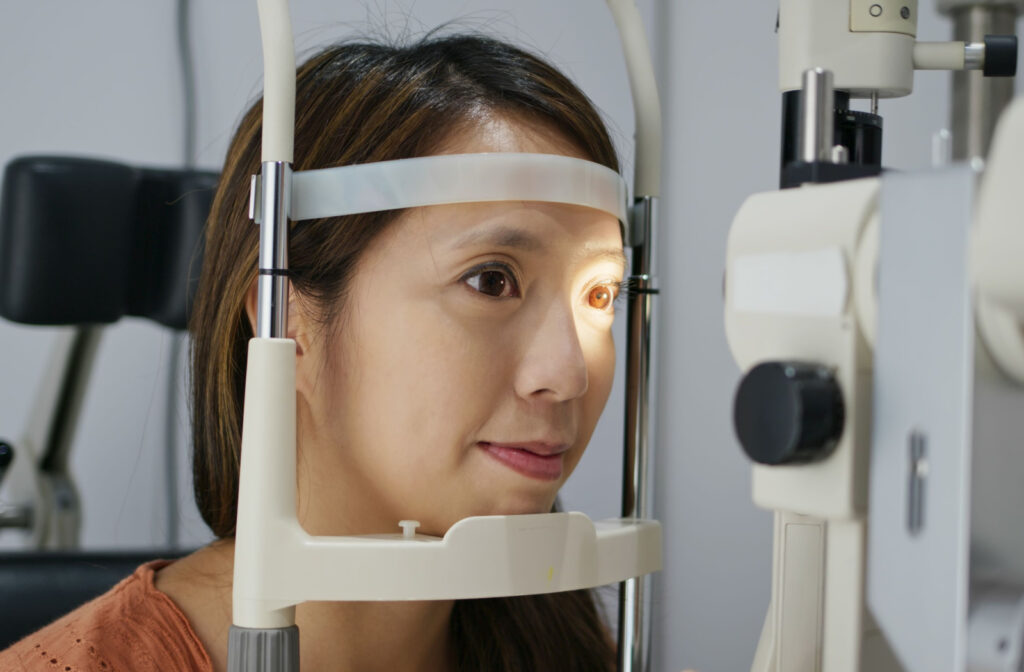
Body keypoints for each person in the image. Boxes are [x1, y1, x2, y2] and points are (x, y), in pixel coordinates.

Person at [0, 32, 627, 671]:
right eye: (491, 280)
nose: (568, 373)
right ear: (287, 319)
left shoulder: (558, 639)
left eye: (601, 295)